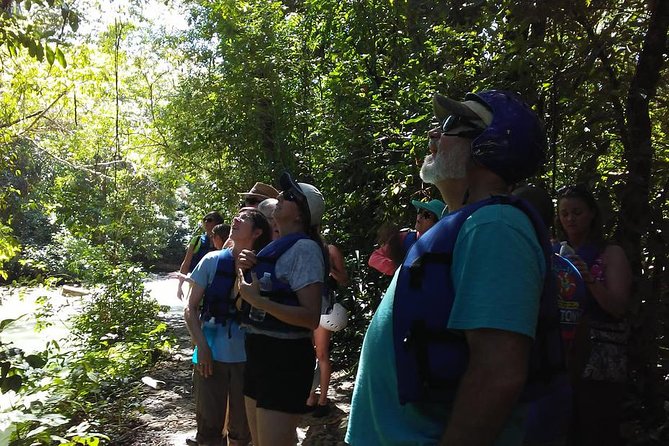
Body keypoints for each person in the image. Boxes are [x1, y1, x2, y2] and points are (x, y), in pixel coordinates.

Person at [346, 89, 549, 445]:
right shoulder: (461, 225)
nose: (433, 134)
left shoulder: (494, 227)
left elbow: (497, 373)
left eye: (451, 125)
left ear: (489, 144)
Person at [237, 172, 327, 446]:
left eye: (288, 197)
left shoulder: (306, 250)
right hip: (259, 351)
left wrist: (258, 300)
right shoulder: (272, 249)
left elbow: (311, 318)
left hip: (284, 359)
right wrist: (243, 271)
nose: (279, 197)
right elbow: (244, 300)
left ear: (300, 216)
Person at [184, 208, 272, 446]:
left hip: (248, 360)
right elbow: (190, 308)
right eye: (237, 215)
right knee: (209, 429)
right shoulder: (211, 261)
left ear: (257, 232)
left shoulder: (264, 268)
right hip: (210, 356)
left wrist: (249, 272)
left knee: (242, 432)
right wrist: (201, 347)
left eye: (244, 218)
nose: (235, 219)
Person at [555, 184, 632, 446]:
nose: (570, 219)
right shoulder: (555, 251)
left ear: (591, 214)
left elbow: (618, 307)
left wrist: (587, 277)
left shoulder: (610, 254)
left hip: (599, 360)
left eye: (577, 212)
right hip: (559, 354)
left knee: (596, 429)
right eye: (564, 213)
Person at [306, 240, 349, 417]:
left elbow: (345, 280)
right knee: (306, 352)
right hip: (304, 306)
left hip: (324, 307)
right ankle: (309, 396)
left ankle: (323, 400)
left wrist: (330, 268)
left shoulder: (329, 249)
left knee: (321, 353)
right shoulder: (301, 246)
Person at [368, 199, 446, 275]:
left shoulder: (445, 246)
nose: (420, 216)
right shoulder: (404, 238)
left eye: (426, 215)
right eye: (420, 211)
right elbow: (374, 258)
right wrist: (398, 269)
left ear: (437, 224)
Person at [178, 211, 225, 300]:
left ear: (218, 223)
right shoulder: (197, 240)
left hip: (217, 283)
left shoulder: (225, 241)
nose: (206, 222)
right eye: (204, 220)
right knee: (191, 309)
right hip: (197, 282)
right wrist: (180, 286)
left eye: (210, 220)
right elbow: (186, 263)